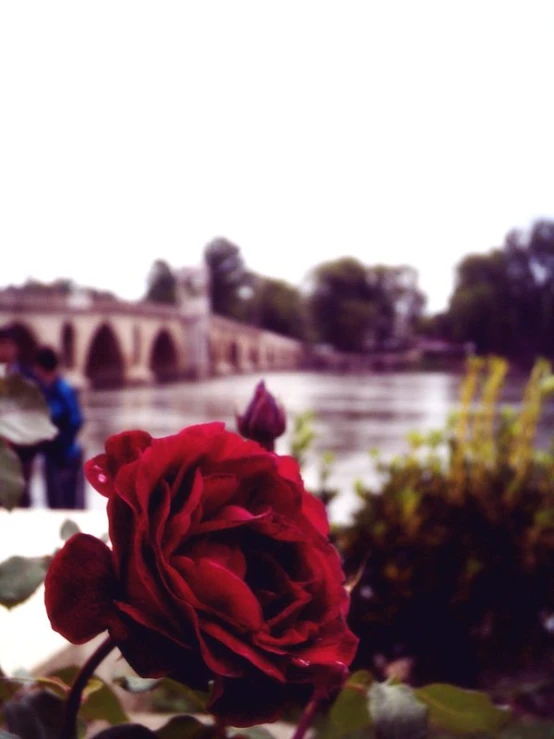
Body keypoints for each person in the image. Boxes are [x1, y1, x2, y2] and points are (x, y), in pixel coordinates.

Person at [32, 346, 85, 509]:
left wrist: (60, 441)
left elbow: (76, 420)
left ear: (40, 367)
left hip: (67, 457)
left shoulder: (63, 389)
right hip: (51, 456)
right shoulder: (46, 389)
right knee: (54, 503)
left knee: (70, 504)